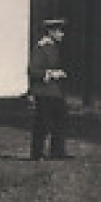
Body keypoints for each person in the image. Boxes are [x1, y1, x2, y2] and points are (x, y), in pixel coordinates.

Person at [28, 17, 70, 159]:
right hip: (44, 91)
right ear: (51, 32)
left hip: (55, 91)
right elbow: (33, 70)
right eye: (59, 31)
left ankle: (57, 152)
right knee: (43, 123)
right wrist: (52, 73)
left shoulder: (55, 47)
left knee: (60, 120)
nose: (62, 35)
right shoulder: (41, 48)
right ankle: (37, 153)